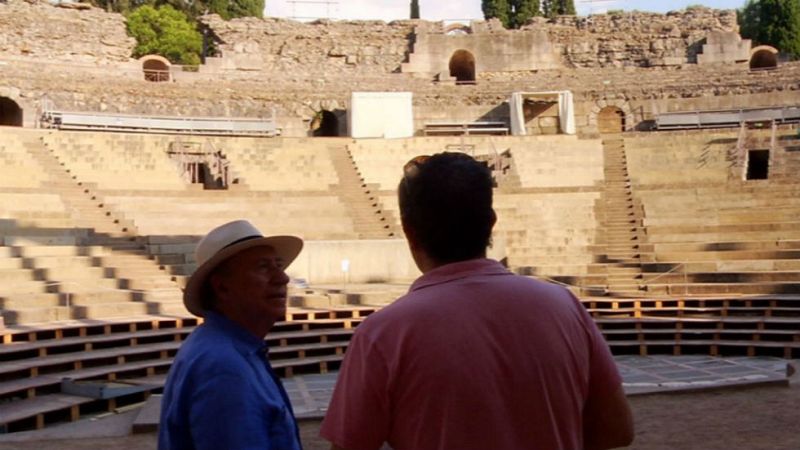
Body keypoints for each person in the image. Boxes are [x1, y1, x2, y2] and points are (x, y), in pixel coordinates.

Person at [320, 152, 633, 450]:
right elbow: (616, 429)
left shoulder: (383, 333)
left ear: (409, 232)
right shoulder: (564, 306)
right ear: (491, 221)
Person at [158, 219, 304, 450]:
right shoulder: (224, 367)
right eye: (263, 267)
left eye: (278, 265)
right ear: (222, 287)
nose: (282, 278)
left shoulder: (221, 350)